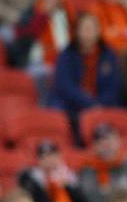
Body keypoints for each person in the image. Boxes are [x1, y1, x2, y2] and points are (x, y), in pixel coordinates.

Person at [48, 12, 122, 142]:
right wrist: (89, 103)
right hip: (73, 103)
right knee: (56, 110)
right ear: (77, 31)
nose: (88, 33)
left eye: (91, 28)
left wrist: (99, 104)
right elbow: (64, 85)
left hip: (101, 103)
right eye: (84, 28)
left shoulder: (110, 55)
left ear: (98, 31)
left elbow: (114, 86)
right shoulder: (66, 55)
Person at [18, 140, 86, 202]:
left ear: (59, 156)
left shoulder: (69, 176)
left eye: (51, 156)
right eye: (44, 157)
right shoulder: (30, 178)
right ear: (38, 160)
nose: (48, 160)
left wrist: (67, 186)